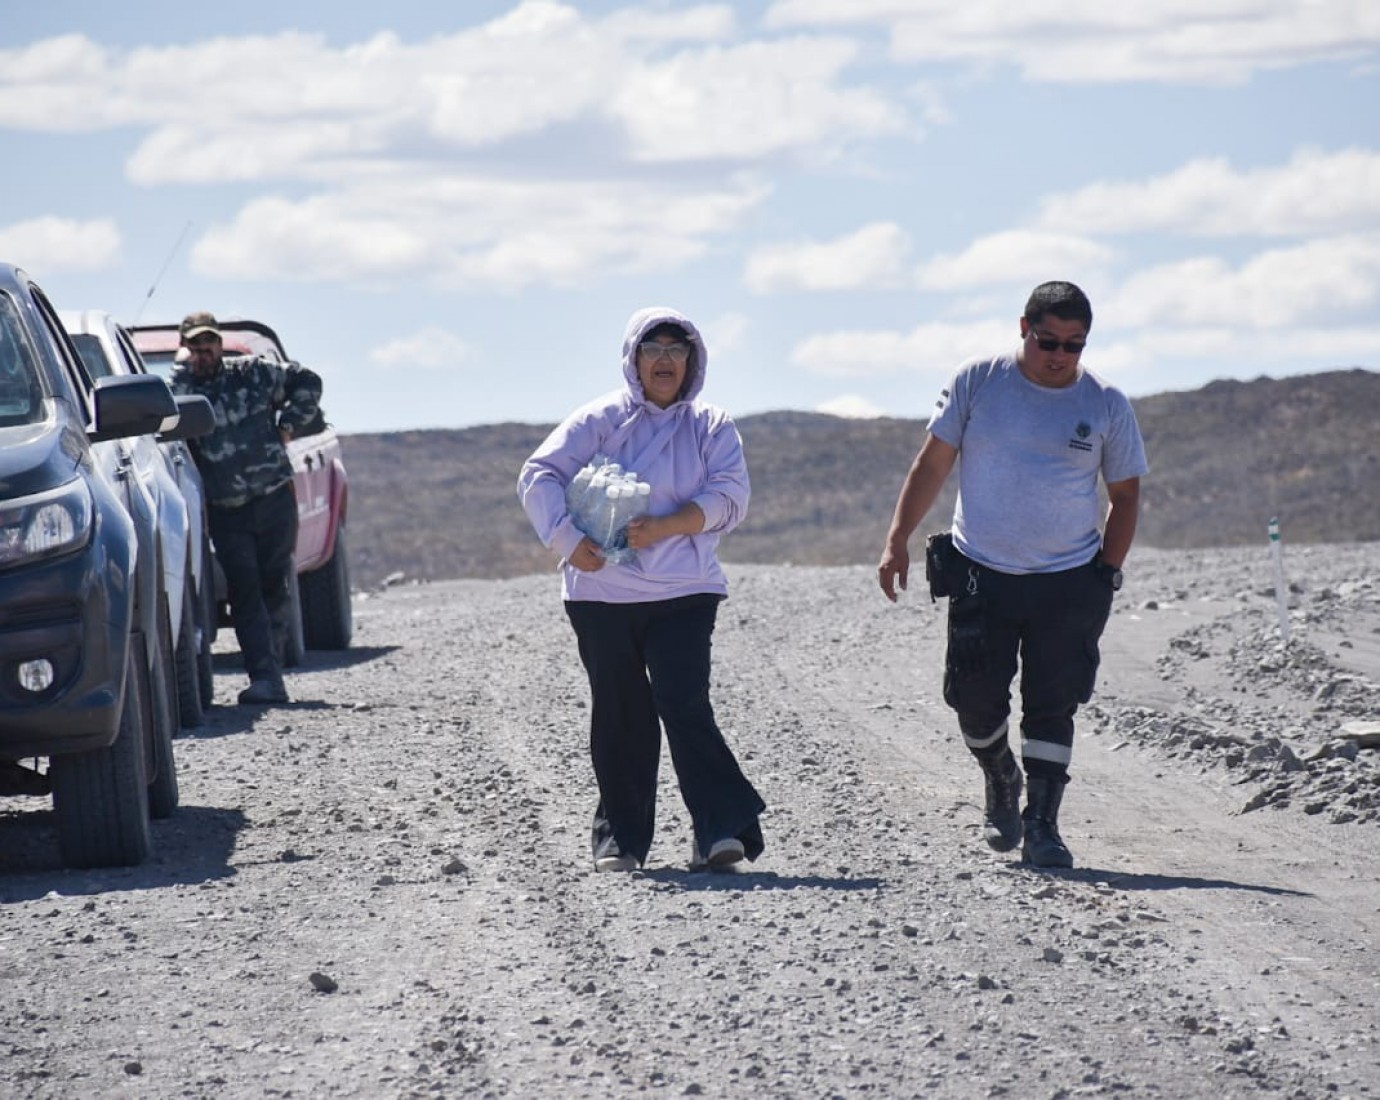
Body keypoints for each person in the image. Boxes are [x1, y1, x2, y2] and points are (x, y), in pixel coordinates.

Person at [877, 282, 1148, 868]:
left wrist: (1107, 574)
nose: (1060, 355)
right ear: (1023, 328)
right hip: (982, 574)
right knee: (972, 700)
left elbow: (1125, 496)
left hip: (1069, 580)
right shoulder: (980, 381)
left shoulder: (1105, 403)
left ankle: (1044, 824)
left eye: (1074, 345)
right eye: (1049, 340)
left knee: (1053, 704)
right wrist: (897, 539)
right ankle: (1001, 774)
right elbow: (932, 463)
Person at [518, 307, 765, 873]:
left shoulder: (711, 425)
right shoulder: (599, 419)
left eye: (676, 350)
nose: (664, 360)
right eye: (652, 349)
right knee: (620, 711)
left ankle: (719, 831)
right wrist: (565, 540)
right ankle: (621, 841)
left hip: (686, 590)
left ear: (693, 360)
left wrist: (666, 527)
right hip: (600, 593)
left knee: (683, 701)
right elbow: (539, 474)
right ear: (633, 359)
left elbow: (732, 498)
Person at [170, 311, 322, 706]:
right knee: (245, 589)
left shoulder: (252, 373)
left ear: (220, 344)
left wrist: (289, 424)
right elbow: (162, 429)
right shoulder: (180, 389)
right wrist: (182, 375)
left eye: (210, 345)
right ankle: (266, 677)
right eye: (196, 347)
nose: (204, 353)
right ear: (185, 348)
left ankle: (272, 663)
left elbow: (308, 381)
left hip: (273, 495)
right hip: (225, 507)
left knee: (275, 584)